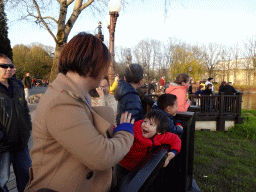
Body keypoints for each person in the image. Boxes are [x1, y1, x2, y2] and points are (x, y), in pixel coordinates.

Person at [25, 33, 135, 192]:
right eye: (104, 68)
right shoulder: (62, 102)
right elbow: (102, 157)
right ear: (92, 67)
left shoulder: (73, 94)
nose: (105, 74)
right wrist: (126, 132)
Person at [116, 109, 182, 184]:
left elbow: (175, 139)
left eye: (151, 124)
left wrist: (173, 152)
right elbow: (120, 135)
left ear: (159, 131)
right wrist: (118, 129)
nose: (145, 125)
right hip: (123, 164)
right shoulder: (134, 129)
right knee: (120, 184)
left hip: (140, 168)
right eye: (145, 121)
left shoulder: (160, 136)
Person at [0, 53, 32, 192]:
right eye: (4, 66)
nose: (8, 68)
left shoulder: (17, 85)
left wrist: (27, 127)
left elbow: (24, 109)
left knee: (27, 176)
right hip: (2, 145)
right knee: (2, 179)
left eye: (10, 66)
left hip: (21, 142)